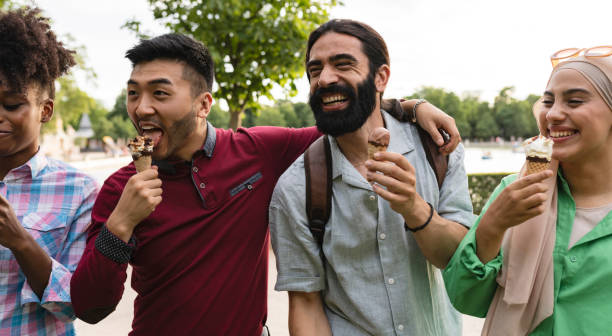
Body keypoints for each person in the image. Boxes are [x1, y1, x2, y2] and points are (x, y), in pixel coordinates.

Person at [69, 32, 461, 336]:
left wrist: (411, 106)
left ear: (203, 104)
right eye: (133, 94)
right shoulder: (122, 189)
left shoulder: (259, 151)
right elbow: (90, 307)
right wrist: (120, 226)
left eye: (159, 93)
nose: (142, 108)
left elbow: (344, 117)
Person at [269, 19, 474, 335]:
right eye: (314, 70)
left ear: (381, 77)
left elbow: (459, 261)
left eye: (343, 64)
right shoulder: (296, 187)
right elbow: (305, 304)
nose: (324, 79)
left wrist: (413, 207)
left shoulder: (437, 150)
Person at [443, 49, 612, 335]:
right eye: (548, 101)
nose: (554, 114)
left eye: (574, 101)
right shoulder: (514, 191)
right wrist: (493, 226)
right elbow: (466, 298)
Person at [0, 7, 98, 335]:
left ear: (45, 110)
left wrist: (20, 241)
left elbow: (77, 306)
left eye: (12, 105)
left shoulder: (79, 190)